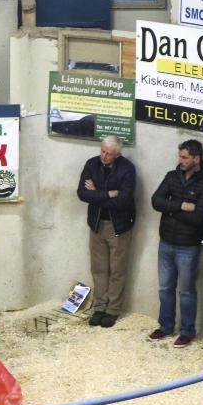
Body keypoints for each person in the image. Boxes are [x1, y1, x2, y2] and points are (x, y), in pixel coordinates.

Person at [149, 140, 203, 347]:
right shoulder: (172, 176)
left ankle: (187, 331)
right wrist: (180, 205)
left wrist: (170, 209)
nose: (181, 160)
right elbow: (155, 201)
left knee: (186, 291)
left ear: (197, 158)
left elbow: (199, 219)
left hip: (188, 246)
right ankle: (165, 326)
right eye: (180, 156)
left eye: (185, 157)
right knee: (165, 288)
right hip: (166, 241)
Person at [77, 136, 136, 328]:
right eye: (102, 151)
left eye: (109, 153)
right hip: (96, 224)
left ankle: (112, 310)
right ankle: (100, 307)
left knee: (117, 271)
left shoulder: (127, 169)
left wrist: (96, 193)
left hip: (118, 226)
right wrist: (109, 193)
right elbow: (82, 193)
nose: (104, 156)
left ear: (117, 154)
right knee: (99, 269)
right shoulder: (91, 164)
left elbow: (124, 200)